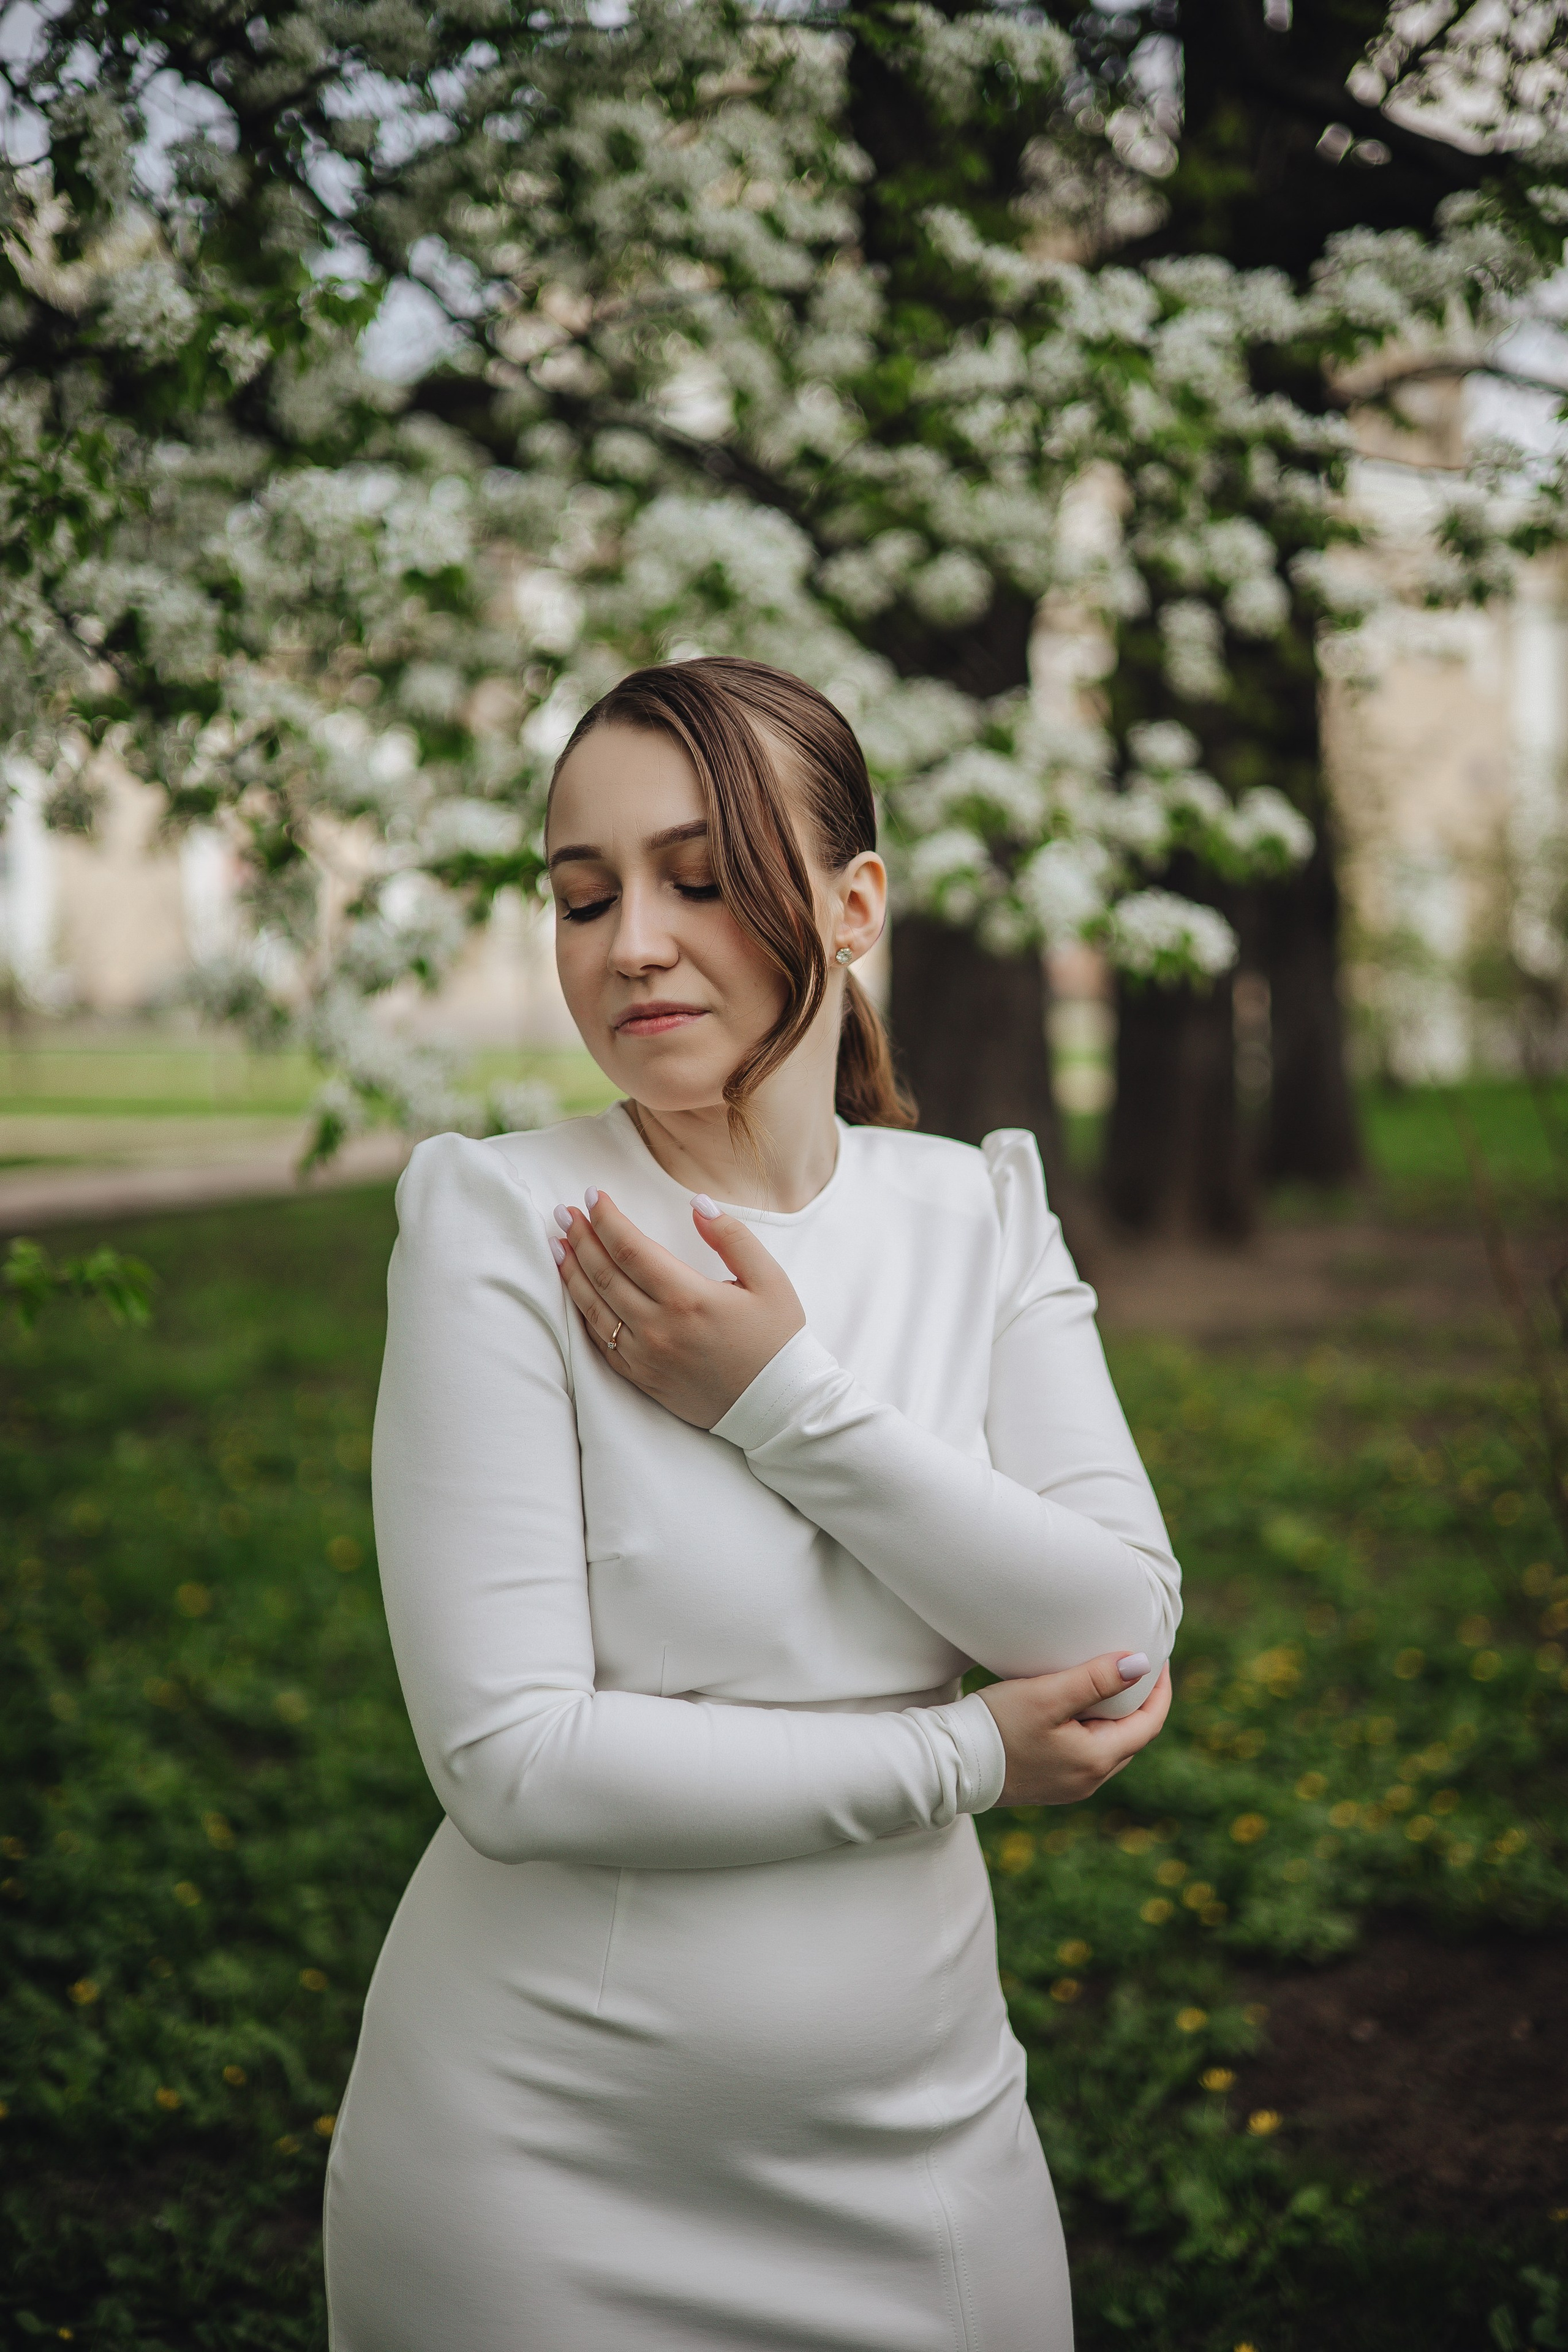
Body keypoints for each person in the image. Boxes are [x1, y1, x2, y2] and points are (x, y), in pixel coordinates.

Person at [323, 657, 1179, 2351]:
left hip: (931, 2161)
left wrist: (780, 1400)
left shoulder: (977, 1211)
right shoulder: (505, 1220)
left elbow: (1117, 1627)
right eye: (584, 896)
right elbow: (515, 1761)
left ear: (855, 903)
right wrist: (965, 1757)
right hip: (542, 2179)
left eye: (700, 879)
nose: (631, 940)